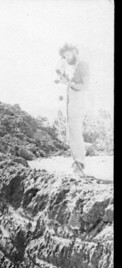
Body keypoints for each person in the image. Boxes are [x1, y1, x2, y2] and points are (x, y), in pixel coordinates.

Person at [55, 43, 90, 175]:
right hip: (71, 102)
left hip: (79, 102)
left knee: (75, 132)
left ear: (75, 51)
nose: (67, 58)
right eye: (65, 56)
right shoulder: (71, 67)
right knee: (71, 133)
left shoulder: (83, 65)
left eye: (68, 54)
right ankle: (76, 163)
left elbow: (85, 86)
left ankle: (79, 164)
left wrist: (68, 83)